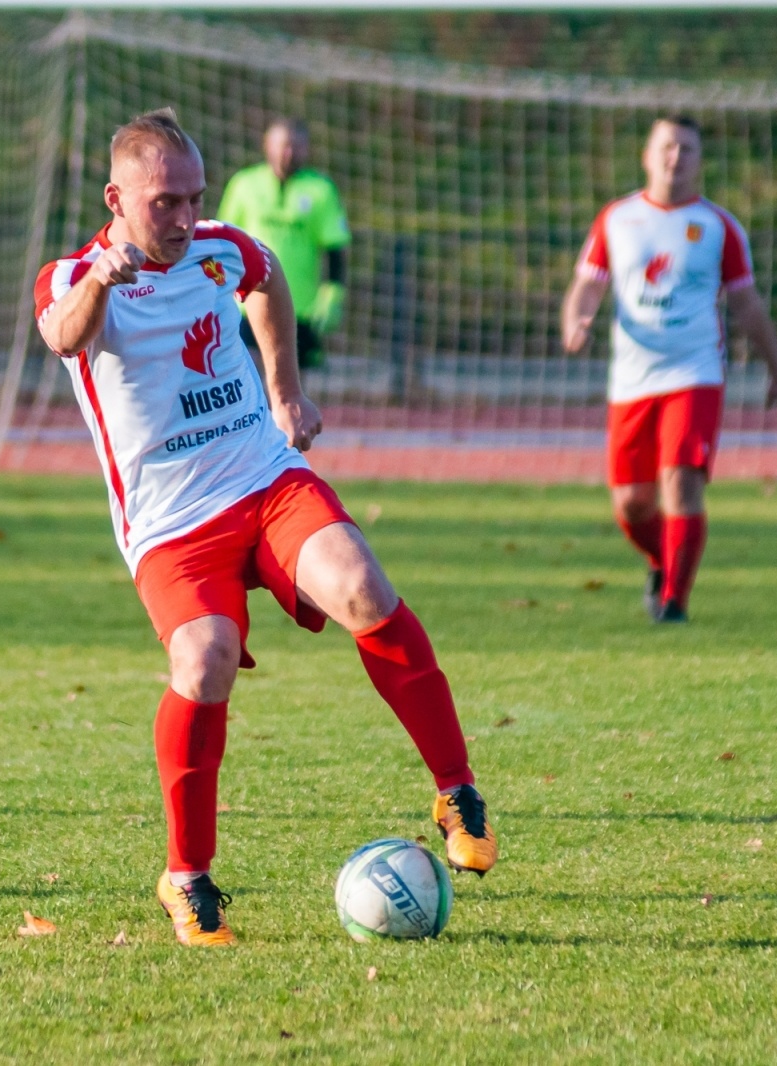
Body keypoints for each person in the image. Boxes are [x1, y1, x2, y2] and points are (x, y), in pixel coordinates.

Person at [34, 109, 494, 948]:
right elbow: (61, 335)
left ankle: (456, 790)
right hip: (172, 525)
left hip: (263, 477)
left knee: (362, 586)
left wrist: (285, 391)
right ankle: (186, 877)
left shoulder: (218, 247)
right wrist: (101, 278)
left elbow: (269, 276)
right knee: (203, 659)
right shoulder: (72, 276)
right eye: (166, 202)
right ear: (117, 197)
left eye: (194, 198)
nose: (185, 218)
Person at [561, 114, 777, 624]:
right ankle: (662, 562)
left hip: (695, 372)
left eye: (687, 149)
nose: (676, 157)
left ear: (699, 161)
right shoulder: (616, 219)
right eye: (667, 146)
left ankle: (674, 604)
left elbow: (747, 304)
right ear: (647, 156)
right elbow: (588, 284)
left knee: (681, 481)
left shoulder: (717, 226)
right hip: (631, 379)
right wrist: (575, 319)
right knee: (631, 503)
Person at [216, 117, 350, 370]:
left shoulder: (321, 190)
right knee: (249, 374)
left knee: (292, 382)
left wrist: (332, 294)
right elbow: (224, 240)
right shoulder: (244, 184)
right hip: (248, 302)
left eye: (296, 146)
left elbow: (335, 248)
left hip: (300, 307)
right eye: (282, 145)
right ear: (267, 145)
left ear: (306, 149)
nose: (288, 153)